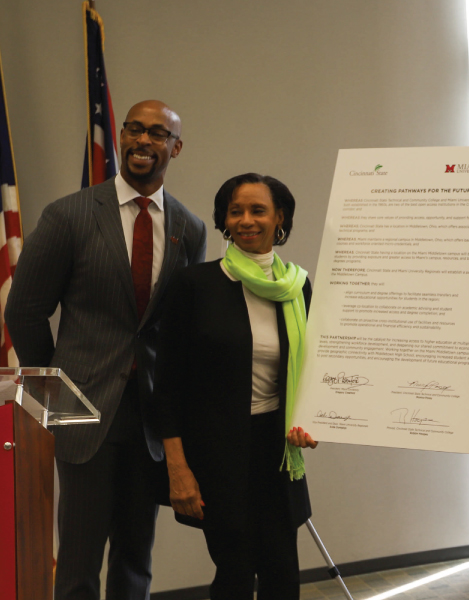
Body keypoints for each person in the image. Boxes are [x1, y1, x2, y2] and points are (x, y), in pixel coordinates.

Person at [4, 100, 206, 599]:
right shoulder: (70, 215)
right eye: (134, 129)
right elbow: (24, 311)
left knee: (136, 558)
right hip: (83, 412)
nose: (143, 140)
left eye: (157, 133)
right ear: (121, 136)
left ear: (176, 147)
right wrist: (56, 395)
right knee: (78, 561)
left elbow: (177, 329)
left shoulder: (189, 227)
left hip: (150, 418)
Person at [153, 173, 316, 600]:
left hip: (277, 452)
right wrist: (178, 470)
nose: (246, 220)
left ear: (279, 218)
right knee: (235, 574)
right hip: (217, 457)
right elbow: (166, 386)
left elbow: (308, 371)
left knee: (283, 573)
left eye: (258, 210)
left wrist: (311, 421)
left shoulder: (297, 286)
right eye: (235, 211)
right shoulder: (195, 285)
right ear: (224, 221)